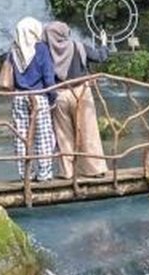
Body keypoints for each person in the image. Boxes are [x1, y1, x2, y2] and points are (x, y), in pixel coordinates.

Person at [45, 21, 110, 179]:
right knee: (88, 131)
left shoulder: (45, 51)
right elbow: (99, 57)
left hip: (59, 95)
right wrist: (104, 43)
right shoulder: (78, 46)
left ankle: (67, 171)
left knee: (63, 134)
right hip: (81, 93)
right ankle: (94, 169)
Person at [8, 17, 57, 181]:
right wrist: (53, 96)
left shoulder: (14, 49)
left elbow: (11, 75)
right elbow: (48, 76)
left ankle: (26, 173)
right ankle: (44, 173)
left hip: (18, 97)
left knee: (20, 136)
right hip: (39, 96)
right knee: (43, 135)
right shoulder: (41, 48)